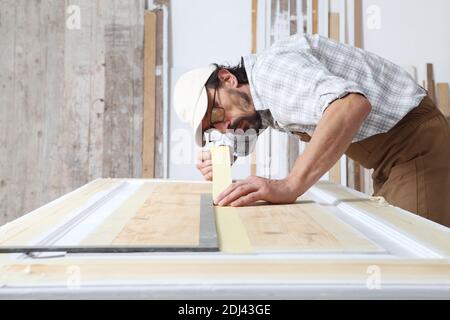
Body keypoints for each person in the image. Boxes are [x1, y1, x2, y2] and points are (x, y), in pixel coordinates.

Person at [173, 33, 450, 227]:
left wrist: (289, 185)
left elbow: (351, 106)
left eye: (217, 112)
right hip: (389, 160)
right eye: (214, 127)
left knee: (413, 267)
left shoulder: (273, 73)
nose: (225, 126)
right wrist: (224, 154)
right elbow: (249, 124)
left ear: (227, 78)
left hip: (417, 147)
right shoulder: (255, 99)